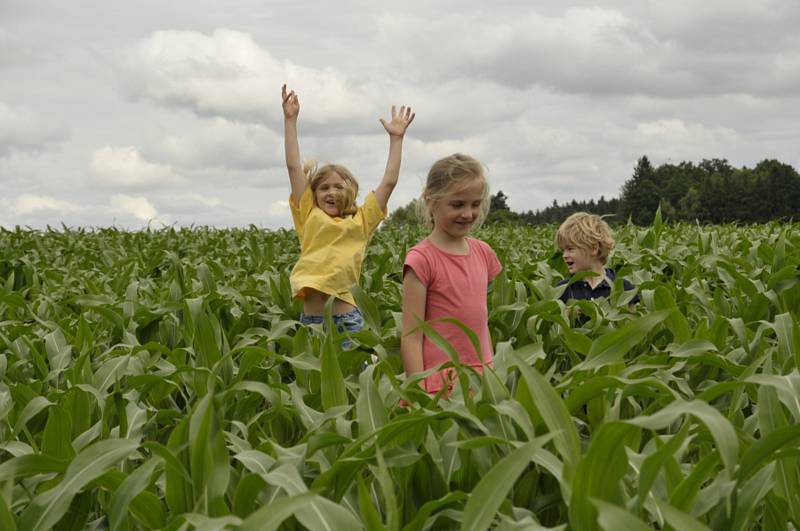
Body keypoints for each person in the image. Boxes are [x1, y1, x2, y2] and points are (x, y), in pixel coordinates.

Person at [282, 84, 415, 343]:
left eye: (338, 187)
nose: (331, 192)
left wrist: (396, 140)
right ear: (314, 194)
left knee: (355, 382)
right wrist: (290, 120)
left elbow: (389, 182)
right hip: (313, 323)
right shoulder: (308, 214)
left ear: (351, 191)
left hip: (347, 322)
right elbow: (293, 167)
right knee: (314, 382)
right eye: (324, 188)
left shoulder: (362, 220)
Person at [400, 154, 502, 395]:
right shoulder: (422, 260)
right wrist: (418, 391)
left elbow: (481, 321)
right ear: (431, 201)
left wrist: (492, 371)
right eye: (457, 205)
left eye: (475, 204)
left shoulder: (483, 253)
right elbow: (411, 336)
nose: (468, 213)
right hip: (440, 382)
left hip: (481, 376)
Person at [555, 212, 640, 309]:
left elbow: (633, 321)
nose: (564, 255)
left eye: (570, 249)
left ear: (593, 249)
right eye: (563, 250)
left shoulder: (623, 288)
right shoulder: (563, 290)